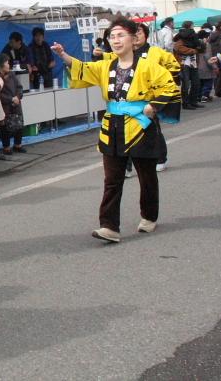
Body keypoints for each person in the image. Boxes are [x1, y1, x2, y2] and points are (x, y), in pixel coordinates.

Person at [51, 18, 180, 243]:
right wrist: (64, 56)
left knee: (147, 177)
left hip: (141, 126)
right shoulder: (105, 65)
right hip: (112, 126)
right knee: (112, 180)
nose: (116, 40)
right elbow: (83, 69)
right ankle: (109, 226)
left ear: (133, 38)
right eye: (112, 36)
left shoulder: (149, 65)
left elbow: (169, 86)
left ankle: (149, 216)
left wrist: (154, 105)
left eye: (120, 35)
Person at [94, 22, 180, 172]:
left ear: (145, 35)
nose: (137, 36)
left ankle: (160, 158)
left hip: (147, 103)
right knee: (121, 135)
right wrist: (98, 54)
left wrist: (160, 87)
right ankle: (126, 166)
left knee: (152, 133)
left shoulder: (156, 52)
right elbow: (107, 59)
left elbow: (174, 68)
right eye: (135, 33)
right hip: (124, 104)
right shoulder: (120, 54)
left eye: (140, 33)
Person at [0, 54, 25, 155]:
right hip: (5, 106)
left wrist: (18, 97)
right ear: (0, 65)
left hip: (16, 104)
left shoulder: (12, 74)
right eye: (7, 63)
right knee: (5, 127)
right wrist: (10, 99)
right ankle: (6, 147)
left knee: (19, 125)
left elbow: (19, 87)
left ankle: (18, 145)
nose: (8, 64)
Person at [173, 21, 203, 109]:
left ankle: (193, 101)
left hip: (193, 63)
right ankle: (186, 103)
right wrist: (194, 50)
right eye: (193, 26)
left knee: (195, 83)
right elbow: (178, 48)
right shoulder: (181, 38)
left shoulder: (192, 38)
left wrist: (197, 49)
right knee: (186, 85)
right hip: (184, 63)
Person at [196, 30, 216, 103]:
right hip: (206, 66)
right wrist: (214, 66)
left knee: (200, 82)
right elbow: (208, 57)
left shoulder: (196, 44)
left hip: (197, 66)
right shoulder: (207, 45)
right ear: (205, 37)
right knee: (208, 82)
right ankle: (204, 96)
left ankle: (199, 96)